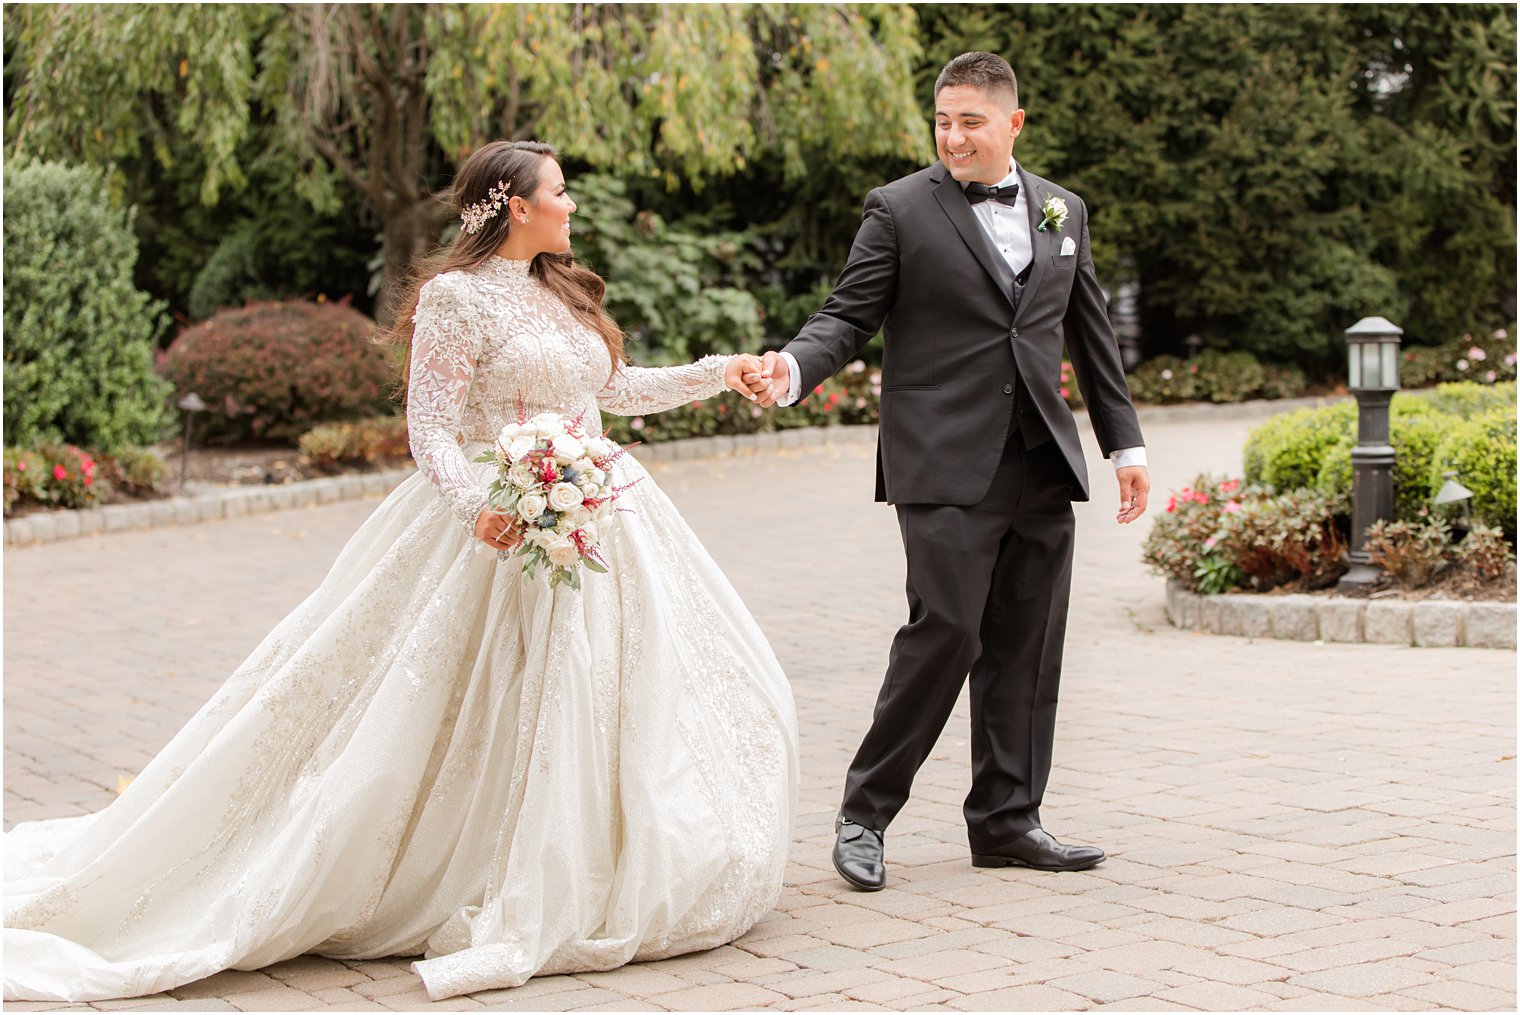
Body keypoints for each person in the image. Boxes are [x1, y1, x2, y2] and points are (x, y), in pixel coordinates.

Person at [4, 140, 799, 1002]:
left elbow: (617, 390)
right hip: (500, 522)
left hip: (598, 514)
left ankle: (611, 850)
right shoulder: (456, 300)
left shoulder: (557, 289)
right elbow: (431, 430)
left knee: (618, 691)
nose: (573, 207)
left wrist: (726, 373)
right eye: (561, 193)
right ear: (515, 205)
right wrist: (480, 508)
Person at [754, 52, 1149, 891]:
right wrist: (792, 370)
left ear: (1013, 124)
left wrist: (1127, 445)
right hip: (939, 458)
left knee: (1028, 642)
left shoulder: (1061, 209)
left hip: (1040, 456)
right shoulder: (898, 209)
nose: (953, 135)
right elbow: (846, 314)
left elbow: (1090, 335)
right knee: (948, 630)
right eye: (942, 119)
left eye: (971, 120)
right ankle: (865, 811)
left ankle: (1008, 820)